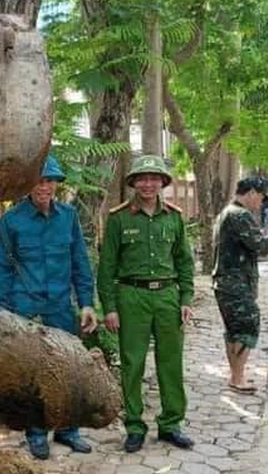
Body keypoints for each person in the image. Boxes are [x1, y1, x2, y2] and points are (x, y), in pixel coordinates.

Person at [0, 154, 97, 460]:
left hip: (61, 308)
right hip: (26, 310)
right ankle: (36, 432)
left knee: (69, 368)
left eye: (50, 180)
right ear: (28, 185)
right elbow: (1, 270)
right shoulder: (12, 221)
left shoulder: (69, 217)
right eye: (39, 180)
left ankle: (68, 430)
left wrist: (87, 303)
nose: (45, 186)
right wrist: (3, 312)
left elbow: (80, 263)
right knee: (34, 374)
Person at [97, 155, 195, 454]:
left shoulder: (175, 217)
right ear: (133, 183)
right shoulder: (119, 218)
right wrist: (110, 307)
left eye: (154, 178)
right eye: (142, 178)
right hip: (132, 296)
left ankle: (170, 424)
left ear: (163, 182)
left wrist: (186, 298)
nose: (148, 184)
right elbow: (107, 268)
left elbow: (184, 261)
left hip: (167, 296)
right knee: (132, 363)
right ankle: (135, 426)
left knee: (171, 362)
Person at [212, 177, 268, 395]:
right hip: (235, 282)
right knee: (247, 327)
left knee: (234, 330)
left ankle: (237, 375)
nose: (262, 202)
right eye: (262, 197)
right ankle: (237, 378)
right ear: (253, 192)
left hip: (227, 281)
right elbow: (258, 245)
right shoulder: (240, 215)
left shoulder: (227, 213)